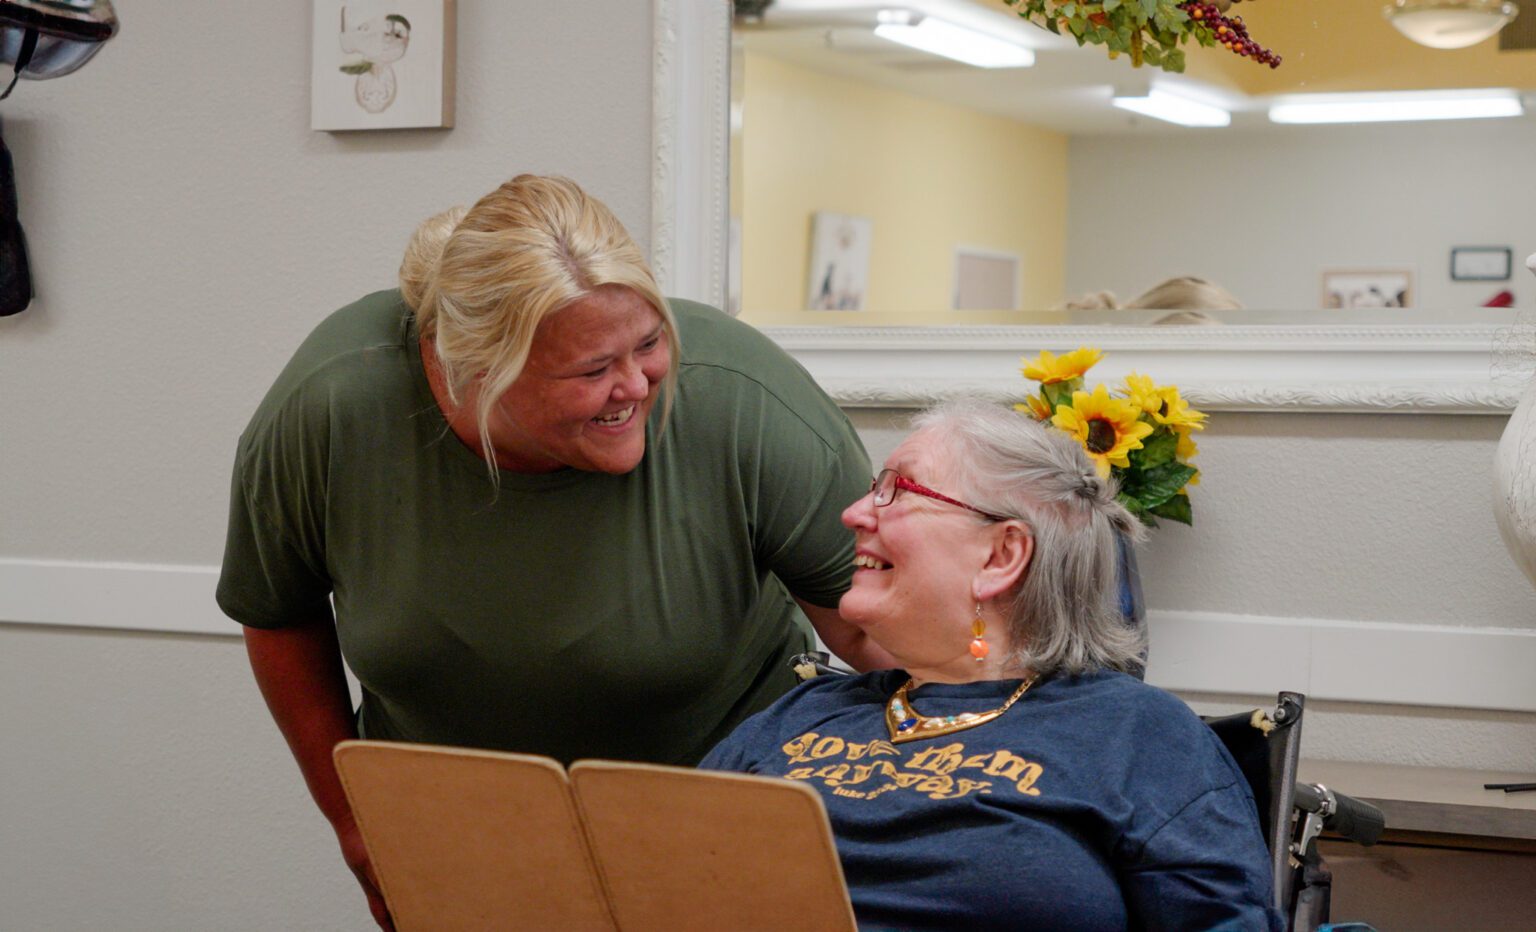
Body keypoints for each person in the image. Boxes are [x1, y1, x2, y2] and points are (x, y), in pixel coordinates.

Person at [217, 174, 888, 928]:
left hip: (722, 820)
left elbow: (879, 636)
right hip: (467, 840)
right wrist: (353, 822)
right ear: (474, 373)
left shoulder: (743, 400)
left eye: (649, 343)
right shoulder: (334, 403)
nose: (636, 386)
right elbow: (276, 611)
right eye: (593, 371)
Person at [702, 399, 1282, 930]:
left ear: (1001, 555)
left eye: (896, 490)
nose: (855, 513)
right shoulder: (804, 713)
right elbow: (647, 875)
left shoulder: (1136, 734)